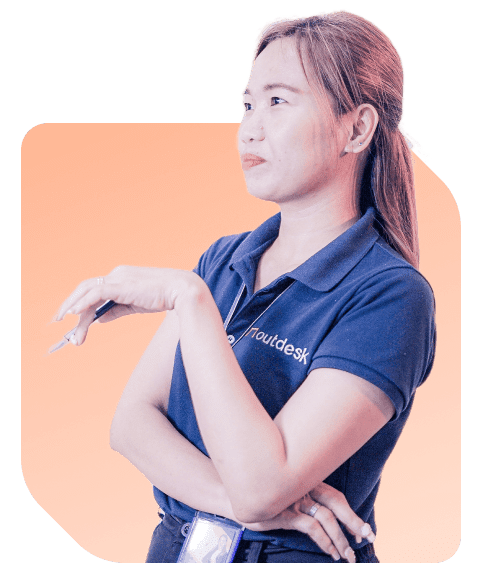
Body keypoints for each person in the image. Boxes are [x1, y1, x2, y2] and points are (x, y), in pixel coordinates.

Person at [54, 9, 435, 563]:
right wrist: (243, 506)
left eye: (278, 101)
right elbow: (132, 424)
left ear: (356, 128)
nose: (250, 127)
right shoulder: (227, 259)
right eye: (247, 104)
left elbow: (262, 482)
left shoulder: (391, 296)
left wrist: (190, 300)